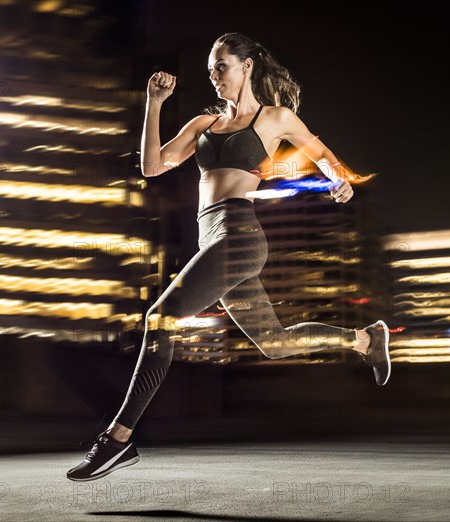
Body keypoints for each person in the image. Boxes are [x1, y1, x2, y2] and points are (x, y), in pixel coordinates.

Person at [67, 32, 391, 482]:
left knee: (161, 318)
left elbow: (321, 153)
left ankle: (117, 439)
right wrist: (153, 103)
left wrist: (340, 180)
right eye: (210, 69)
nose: (215, 75)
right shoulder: (202, 124)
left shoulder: (275, 118)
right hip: (211, 239)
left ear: (247, 67)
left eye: (222, 65)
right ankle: (364, 339)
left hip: (239, 235)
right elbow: (151, 166)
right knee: (274, 343)